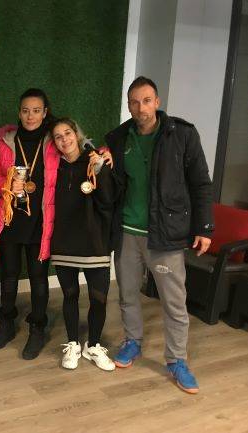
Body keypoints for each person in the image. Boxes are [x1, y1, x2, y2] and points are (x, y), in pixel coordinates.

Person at [106, 76, 213, 394]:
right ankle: (132, 341)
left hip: (165, 235)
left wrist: (204, 227)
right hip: (127, 232)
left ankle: (177, 360)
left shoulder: (182, 134)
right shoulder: (117, 137)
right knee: (128, 294)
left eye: (147, 100)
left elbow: (200, 183)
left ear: (157, 101)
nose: (141, 108)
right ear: (128, 105)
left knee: (174, 302)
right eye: (134, 102)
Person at [0, 88, 59, 360]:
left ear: (45, 113)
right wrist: (5, 185)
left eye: (36, 111)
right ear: (19, 112)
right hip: (10, 220)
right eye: (26, 111)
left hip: (41, 222)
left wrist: (103, 153)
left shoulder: (54, 141)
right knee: (9, 275)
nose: (30, 116)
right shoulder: (5, 142)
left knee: (39, 278)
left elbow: (81, 150)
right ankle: (6, 323)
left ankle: (37, 328)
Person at [50, 118, 115, 371]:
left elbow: (108, 200)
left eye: (67, 133)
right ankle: (73, 344)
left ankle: (94, 345)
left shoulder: (95, 160)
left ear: (77, 134)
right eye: (58, 136)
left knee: (99, 298)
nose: (64, 139)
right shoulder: (53, 166)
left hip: (95, 241)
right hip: (64, 241)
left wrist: (100, 170)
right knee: (70, 295)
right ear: (54, 143)